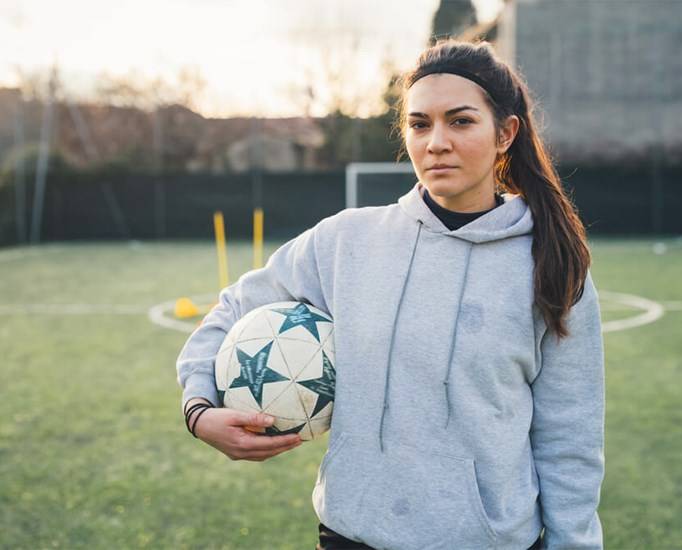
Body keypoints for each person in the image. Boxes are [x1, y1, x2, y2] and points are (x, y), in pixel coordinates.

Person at [177, 39, 605, 550]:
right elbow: (231, 310)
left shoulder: (552, 263)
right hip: (352, 534)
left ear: (505, 133)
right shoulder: (345, 242)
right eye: (420, 123)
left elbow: (570, 441)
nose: (436, 142)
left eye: (461, 121)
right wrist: (199, 411)